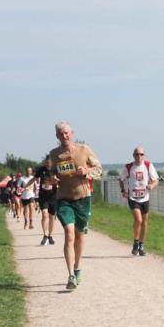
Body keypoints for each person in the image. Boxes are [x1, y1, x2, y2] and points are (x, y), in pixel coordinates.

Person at [49, 122, 103, 290]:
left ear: (72, 133)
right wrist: (53, 179)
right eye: (61, 134)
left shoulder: (84, 149)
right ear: (57, 136)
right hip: (64, 199)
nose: (64, 136)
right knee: (69, 233)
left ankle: (78, 267)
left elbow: (99, 169)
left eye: (67, 133)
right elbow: (51, 174)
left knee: (80, 235)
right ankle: (71, 275)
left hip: (82, 198)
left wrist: (87, 172)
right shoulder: (54, 154)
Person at [119, 146, 159, 256]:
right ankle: (135, 242)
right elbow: (121, 179)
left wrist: (152, 185)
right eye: (137, 154)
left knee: (145, 222)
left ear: (144, 155)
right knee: (139, 220)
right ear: (133, 155)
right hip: (133, 197)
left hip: (145, 198)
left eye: (141, 154)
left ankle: (141, 245)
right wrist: (123, 191)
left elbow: (156, 180)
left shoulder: (148, 165)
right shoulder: (128, 167)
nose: (139, 156)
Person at [37, 156, 58, 246]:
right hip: (43, 196)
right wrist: (26, 186)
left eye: (49, 163)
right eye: (46, 162)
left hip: (53, 196)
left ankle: (50, 235)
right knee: (44, 214)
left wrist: (57, 182)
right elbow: (34, 179)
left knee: (52, 217)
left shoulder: (56, 170)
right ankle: (45, 235)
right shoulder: (41, 170)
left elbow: (60, 181)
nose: (47, 164)